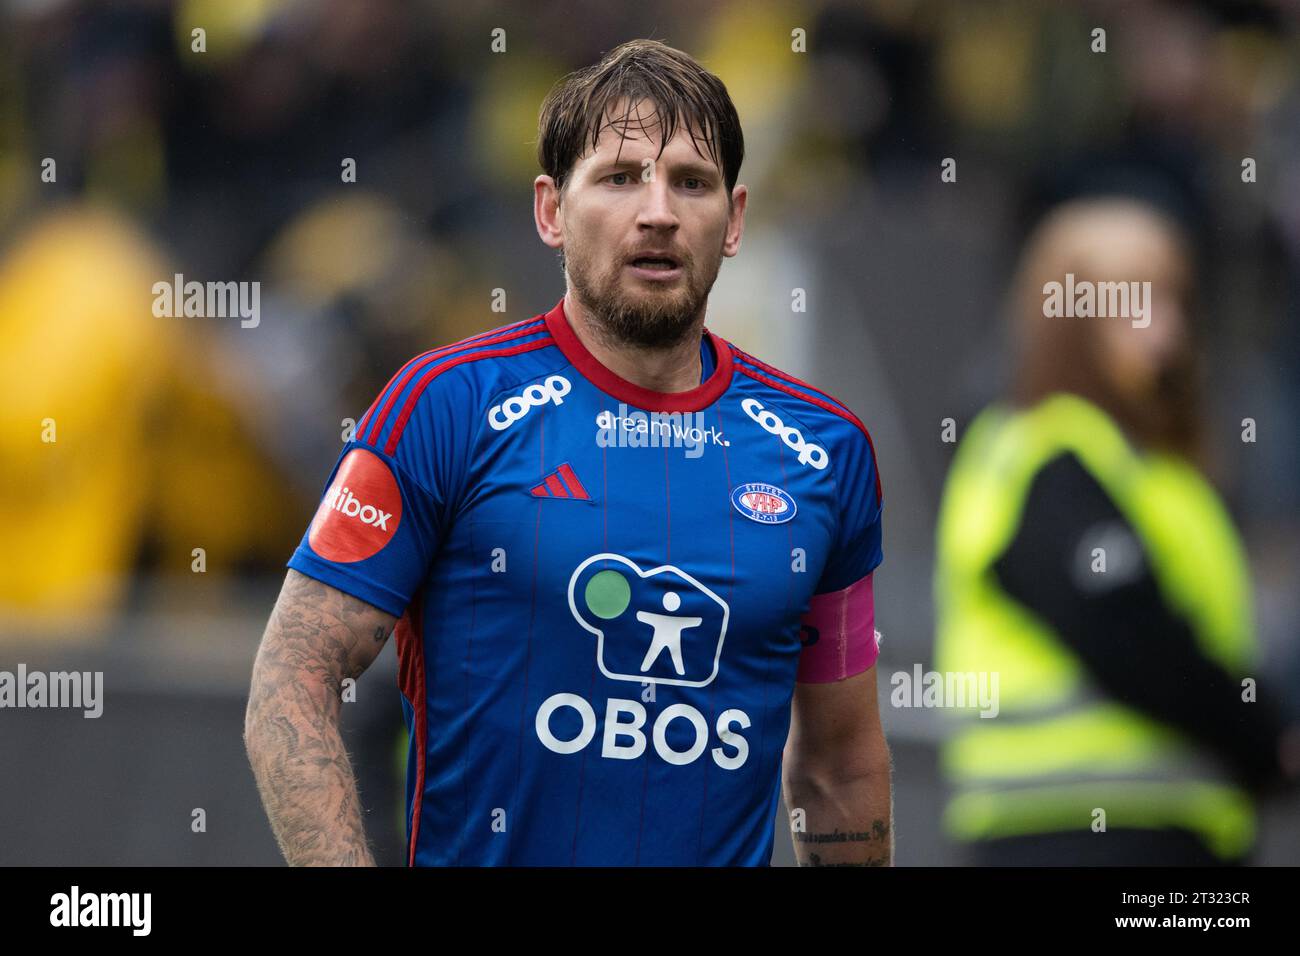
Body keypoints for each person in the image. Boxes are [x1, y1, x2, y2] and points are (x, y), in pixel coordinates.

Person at [244, 39, 891, 866]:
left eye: (690, 182)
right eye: (620, 178)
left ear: (732, 222)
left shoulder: (825, 452)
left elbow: (839, 767)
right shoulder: (444, 406)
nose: (657, 211)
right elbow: (291, 678)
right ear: (551, 211)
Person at [933, 197, 1300, 866]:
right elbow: (1130, 633)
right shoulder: (1044, 454)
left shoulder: (1153, 465)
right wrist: (1262, 739)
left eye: (1172, 301)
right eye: (1132, 305)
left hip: (1159, 826)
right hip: (1076, 830)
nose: (1165, 330)